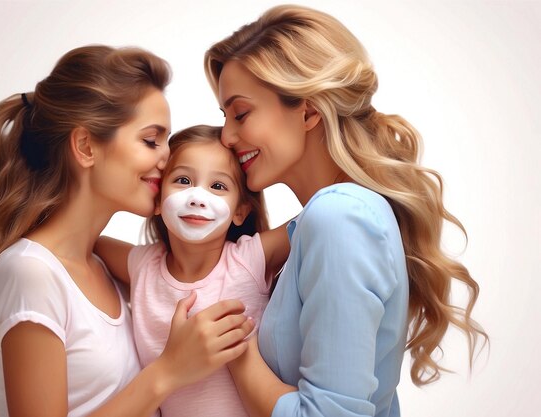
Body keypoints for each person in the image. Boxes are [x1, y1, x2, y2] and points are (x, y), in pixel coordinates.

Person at [204, 5, 488, 417]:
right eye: (224, 117)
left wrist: (237, 347)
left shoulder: (339, 218)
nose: (227, 136)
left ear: (309, 110)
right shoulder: (328, 219)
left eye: (241, 113)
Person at [0, 45, 255, 417]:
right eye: (151, 140)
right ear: (86, 146)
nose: (165, 158)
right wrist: (168, 372)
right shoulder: (30, 272)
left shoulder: (103, 269)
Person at [94, 125, 290, 417]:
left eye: (218, 186)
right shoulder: (144, 266)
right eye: (183, 180)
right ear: (158, 201)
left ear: (240, 211)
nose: (198, 197)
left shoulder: (250, 259)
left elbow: (321, 215)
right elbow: (86, 240)